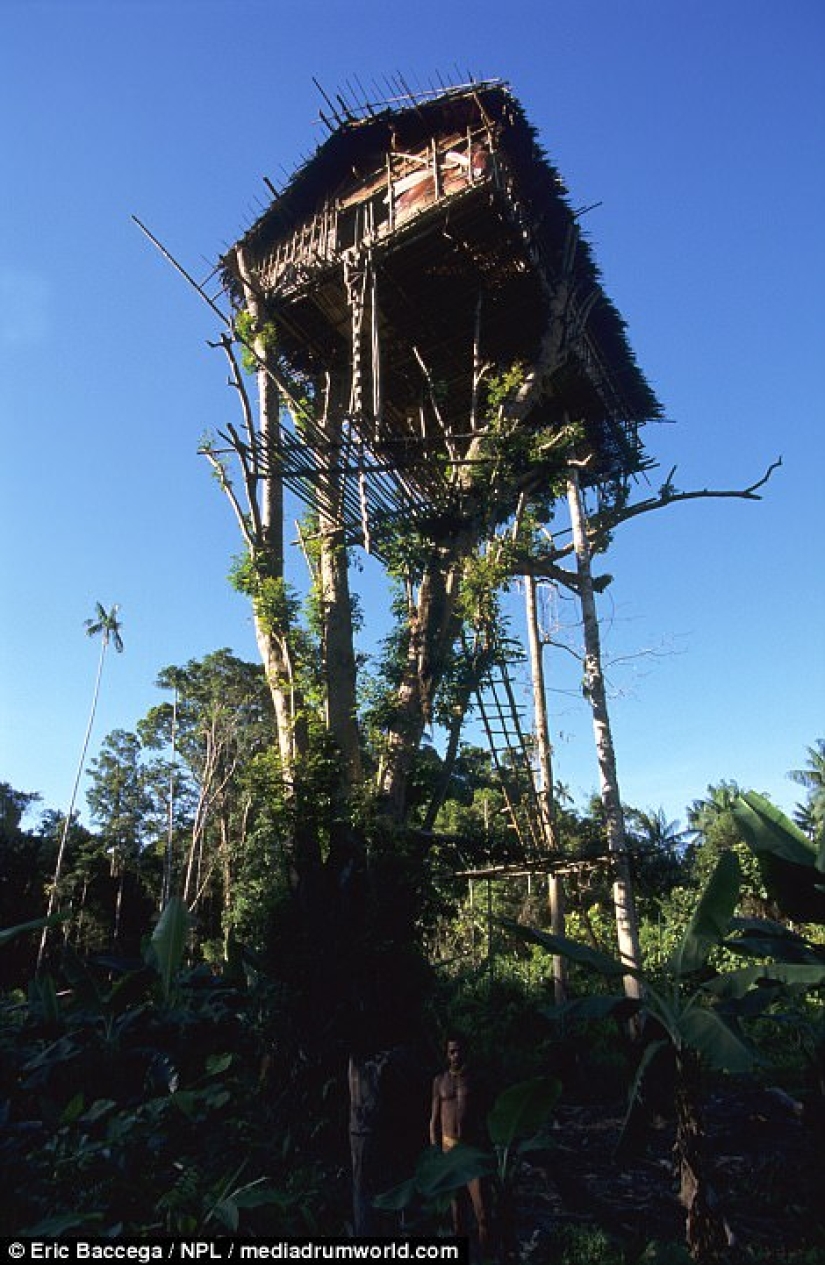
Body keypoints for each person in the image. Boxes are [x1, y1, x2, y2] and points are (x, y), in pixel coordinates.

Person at [429, 1035, 490, 1252]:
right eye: (452, 1051)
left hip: (471, 1151)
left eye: (459, 1050)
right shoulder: (439, 1081)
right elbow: (434, 1120)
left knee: (482, 1214)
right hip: (449, 1152)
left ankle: (486, 1257)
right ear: (447, 1054)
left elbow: (485, 1116)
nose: (456, 1055)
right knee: (457, 1218)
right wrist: (436, 1150)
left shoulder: (475, 1080)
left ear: (465, 1051)